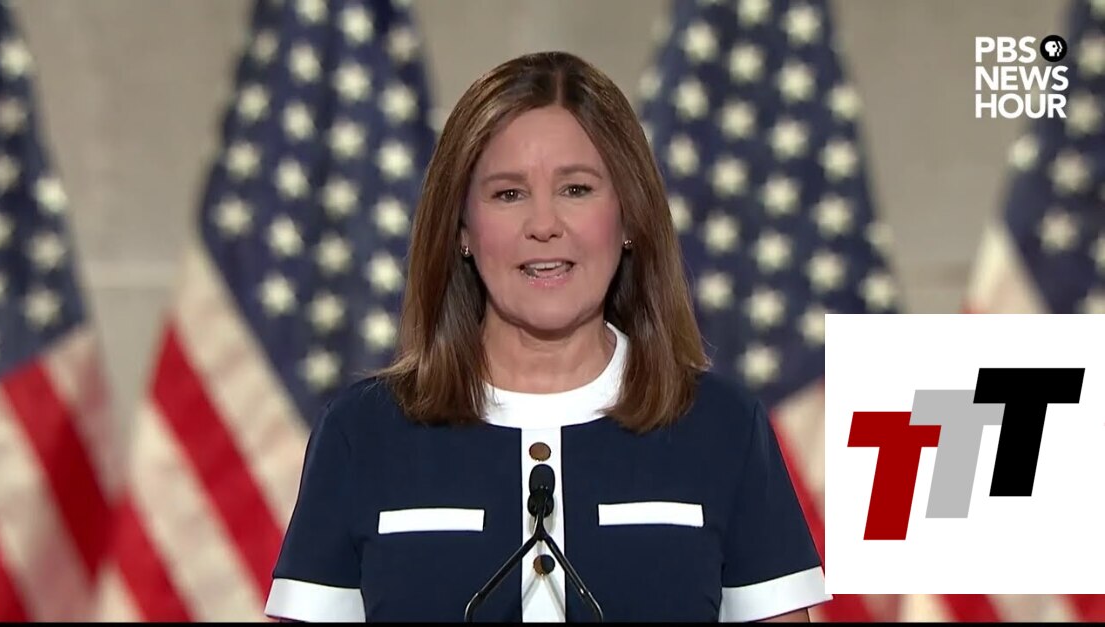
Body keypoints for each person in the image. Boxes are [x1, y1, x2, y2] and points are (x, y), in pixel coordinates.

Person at [263, 50, 831, 623]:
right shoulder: (362, 435)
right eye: (508, 194)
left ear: (629, 216)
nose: (543, 225)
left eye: (576, 189)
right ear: (462, 230)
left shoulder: (723, 428)